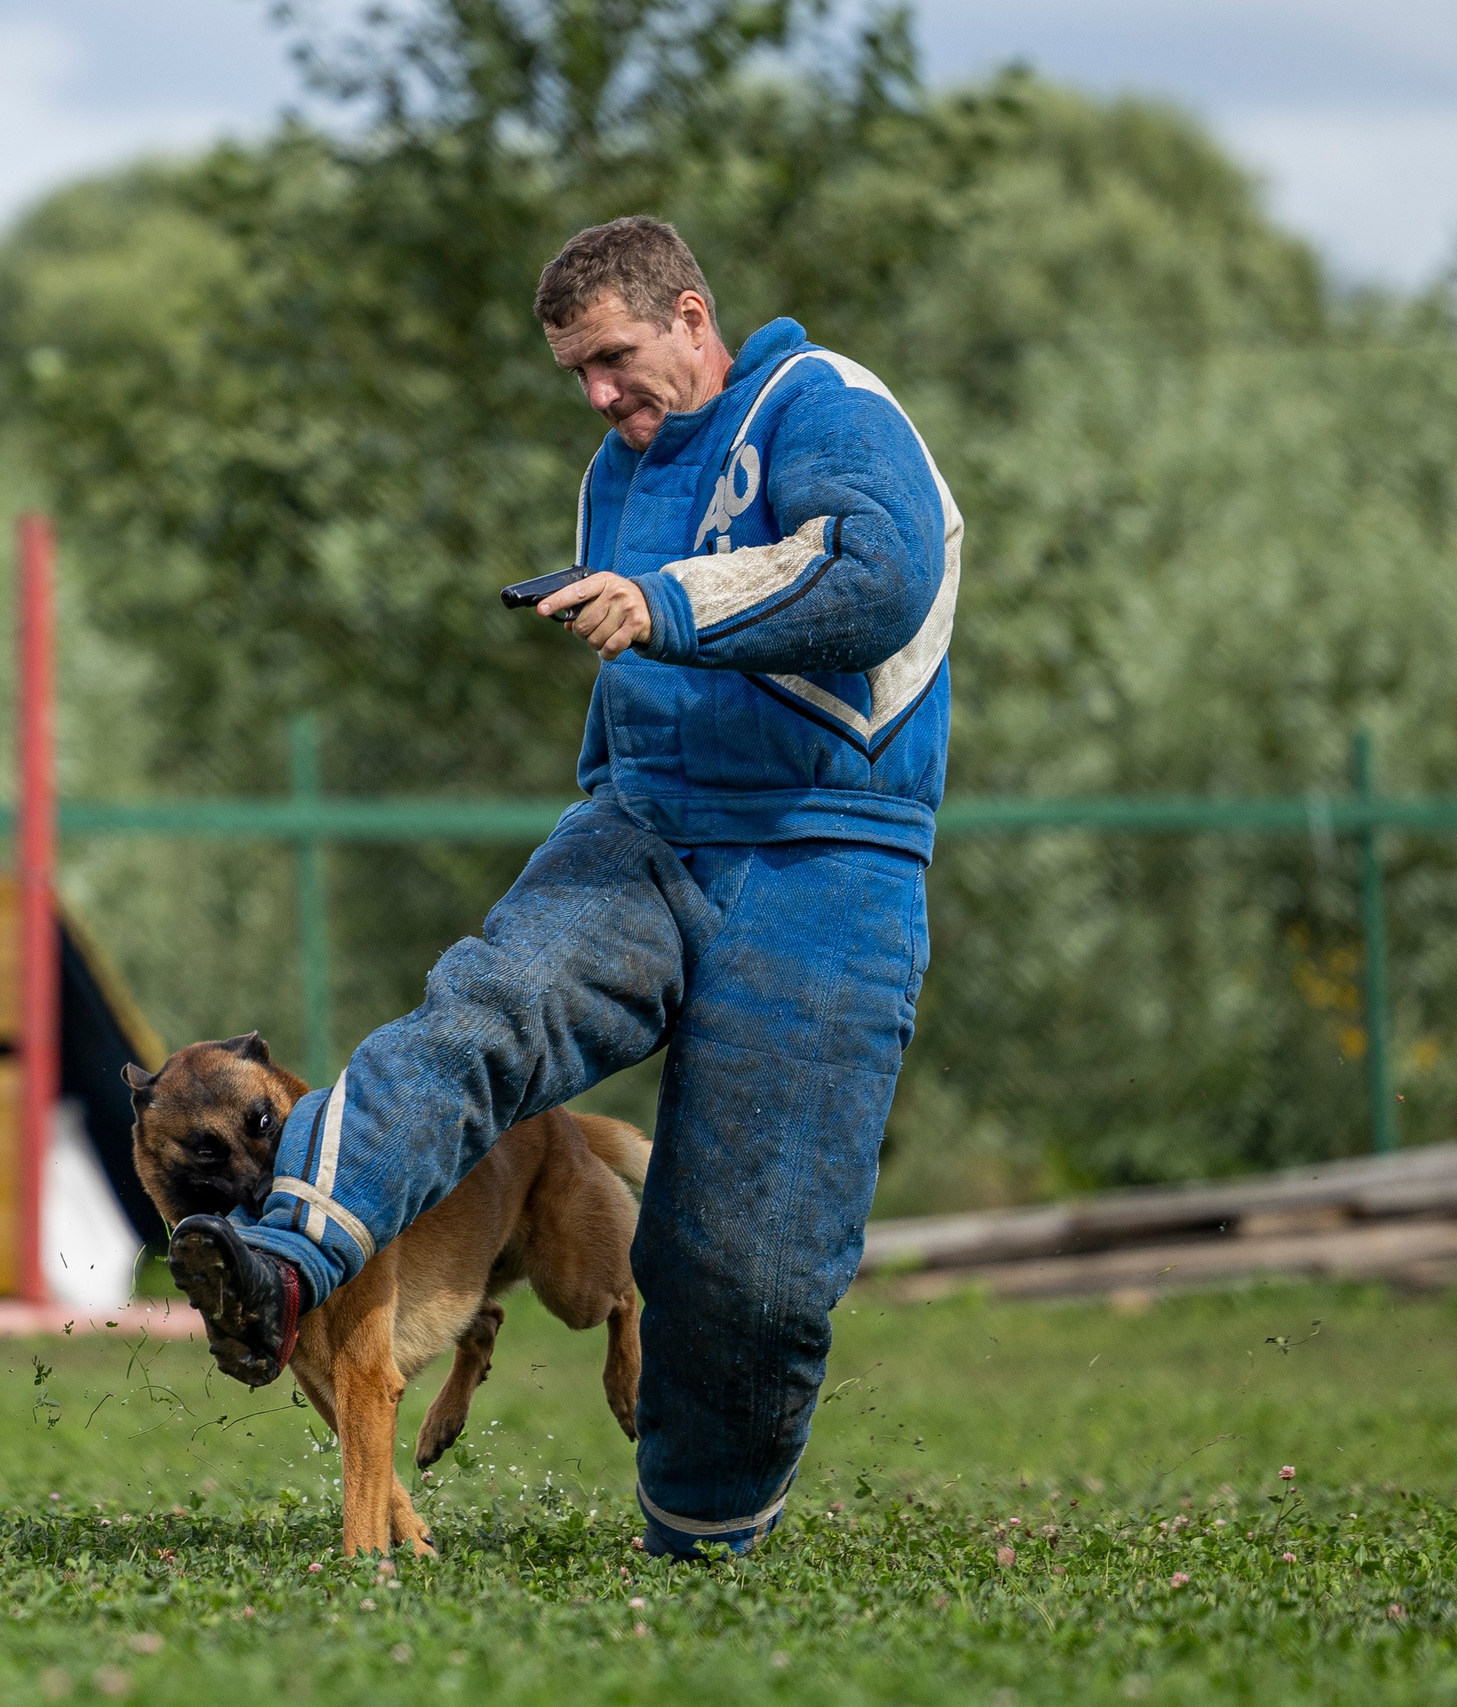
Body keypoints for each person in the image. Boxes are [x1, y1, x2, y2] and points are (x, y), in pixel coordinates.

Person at [168, 215, 961, 1558]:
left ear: (691, 316)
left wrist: (667, 603)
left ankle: (702, 1529)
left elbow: (879, 576)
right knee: (488, 1007)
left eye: (613, 358)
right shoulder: (619, 468)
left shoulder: (821, 402)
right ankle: (276, 1263)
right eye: (576, 375)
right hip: (643, 832)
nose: (598, 397)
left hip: (827, 855)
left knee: (747, 1275)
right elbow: (629, 669)